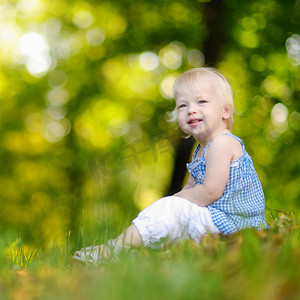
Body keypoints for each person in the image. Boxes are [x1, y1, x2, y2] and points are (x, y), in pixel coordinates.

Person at [72, 67, 269, 264]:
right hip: (217, 220)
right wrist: (176, 202)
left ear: (225, 111)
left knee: (171, 211)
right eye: (183, 105)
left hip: (236, 225)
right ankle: (127, 253)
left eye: (201, 101)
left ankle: (113, 250)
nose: (191, 109)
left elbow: (210, 192)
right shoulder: (200, 150)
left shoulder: (222, 143)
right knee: (169, 220)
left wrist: (173, 203)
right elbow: (191, 187)